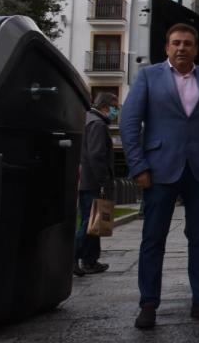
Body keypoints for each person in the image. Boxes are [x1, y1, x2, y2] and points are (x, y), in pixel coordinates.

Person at [121, 23, 199, 330]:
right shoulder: (148, 76)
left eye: (188, 43)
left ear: (196, 48)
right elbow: (130, 123)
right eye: (176, 43)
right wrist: (138, 166)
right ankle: (149, 304)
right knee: (153, 240)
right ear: (167, 47)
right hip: (158, 172)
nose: (182, 48)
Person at [74, 91, 119, 277]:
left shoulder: (88, 120)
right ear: (105, 106)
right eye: (115, 107)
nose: (116, 111)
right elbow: (96, 155)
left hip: (87, 180)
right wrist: (103, 182)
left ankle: (90, 261)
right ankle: (74, 257)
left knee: (94, 221)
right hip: (94, 182)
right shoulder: (97, 124)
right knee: (89, 222)